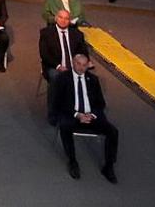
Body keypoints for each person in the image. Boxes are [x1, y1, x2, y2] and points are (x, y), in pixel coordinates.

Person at [48, 52, 118, 182]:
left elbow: (100, 103)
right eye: (79, 64)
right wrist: (77, 115)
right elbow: (58, 102)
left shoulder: (93, 80)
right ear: (73, 63)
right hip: (72, 115)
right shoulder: (63, 79)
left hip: (91, 116)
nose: (81, 68)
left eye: (84, 65)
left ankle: (109, 166)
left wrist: (91, 115)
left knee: (113, 132)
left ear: (88, 66)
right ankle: (72, 161)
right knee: (65, 127)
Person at [40, 6, 89, 80]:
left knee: (89, 78)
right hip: (54, 66)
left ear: (70, 21)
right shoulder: (46, 33)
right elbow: (44, 54)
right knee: (57, 77)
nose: (63, 20)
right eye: (61, 17)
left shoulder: (77, 34)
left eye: (66, 18)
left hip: (75, 66)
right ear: (56, 18)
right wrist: (59, 67)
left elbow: (83, 51)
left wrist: (81, 63)